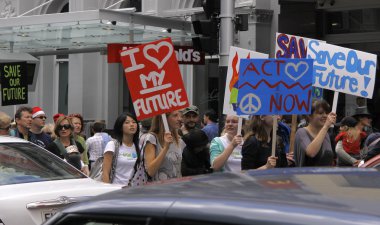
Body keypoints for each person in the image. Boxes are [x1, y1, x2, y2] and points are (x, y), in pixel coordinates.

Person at [144, 110, 185, 181]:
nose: (180, 119)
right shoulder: (151, 138)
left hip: (177, 188)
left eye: (180, 116)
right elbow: (150, 171)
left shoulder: (179, 140)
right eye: (175, 115)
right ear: (164, 119)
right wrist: (166, 147)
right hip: (159, 190)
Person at [294, 99, 336, 167]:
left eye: (326, 113)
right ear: (309, 116)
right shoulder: (301, 132)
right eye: (320, 113)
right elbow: (311, 153)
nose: (325, 116)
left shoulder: (326, 134)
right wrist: (325, 127)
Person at [102, 112, 140, 185]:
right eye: (127, 122)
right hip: (116, 190)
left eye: (134, 122)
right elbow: (105, 172)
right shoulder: (112, 145)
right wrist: (106, 189)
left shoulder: (139, 146)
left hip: (134, 190)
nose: (132, 124)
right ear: (120, 127)